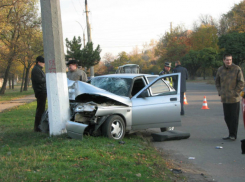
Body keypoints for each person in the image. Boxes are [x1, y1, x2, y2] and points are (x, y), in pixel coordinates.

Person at [215, 53, 244, 141]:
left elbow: (241, 82)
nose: (229, 61)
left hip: (234, 98)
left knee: (234, 117)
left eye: (230, 59)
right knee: (227, 117)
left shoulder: (237, 69)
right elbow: (217, 82)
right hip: (225, 98)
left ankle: (233, 135)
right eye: (227, 60)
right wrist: (220, 91)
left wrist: (236, 92)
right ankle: (230, 133)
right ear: (224, 60)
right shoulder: (220, 70)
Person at [31, 56, 47, 132]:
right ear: (39, 62)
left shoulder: (38, 69)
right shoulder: (36, 70)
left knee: (41, 109)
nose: (44, 64)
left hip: (41, 91)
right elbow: (39, 80)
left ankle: (39, 126)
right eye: (43, 62)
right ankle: (37, 127)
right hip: (40, 91)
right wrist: (47, 78)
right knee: (40, 110)